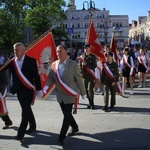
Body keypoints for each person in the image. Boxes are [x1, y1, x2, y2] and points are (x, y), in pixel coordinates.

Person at [44, 45, 86, 146]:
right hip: (60, 96)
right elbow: (51, 78)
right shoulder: (54, 65)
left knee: (66, 117)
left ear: (66, 52)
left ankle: (61, 138)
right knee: (67, 114)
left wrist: (83, 93)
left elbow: (79, 80)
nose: (58, 54)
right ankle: (75, 127)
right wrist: (46, 86)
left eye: (60, 51)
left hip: (70, 95)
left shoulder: (73, 65)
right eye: (57, 52)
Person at [0, 42, 43, 141]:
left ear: (24, 50)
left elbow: (36, 77)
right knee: (27, 109)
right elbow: (2, 69)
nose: (15, 52)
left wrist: (39, 89)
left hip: (28, 90)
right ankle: (33, 125)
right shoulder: (12, 61)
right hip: (18, 91)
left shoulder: (31, 61)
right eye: (14, 50)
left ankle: (20, 134)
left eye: (17, 50)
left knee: (24, 112)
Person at [79, 44, 97, 109]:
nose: (86, 49)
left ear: (89, 48)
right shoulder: (82, 56)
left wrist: (87, 64)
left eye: (87, 48)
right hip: (84, 76)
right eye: (85, 48)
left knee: (90, 90)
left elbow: (94, 65)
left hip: (90, 76)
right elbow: (79, 66)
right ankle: (89, 102)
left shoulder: (93, 57)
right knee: (86, 90)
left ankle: (92, 103)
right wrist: (80, 72)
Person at [0, 64, 13, 129]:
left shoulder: (2, 68)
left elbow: (5, 81)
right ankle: (8, 122)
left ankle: (7, 122)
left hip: (0, 91)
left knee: (1, 108)